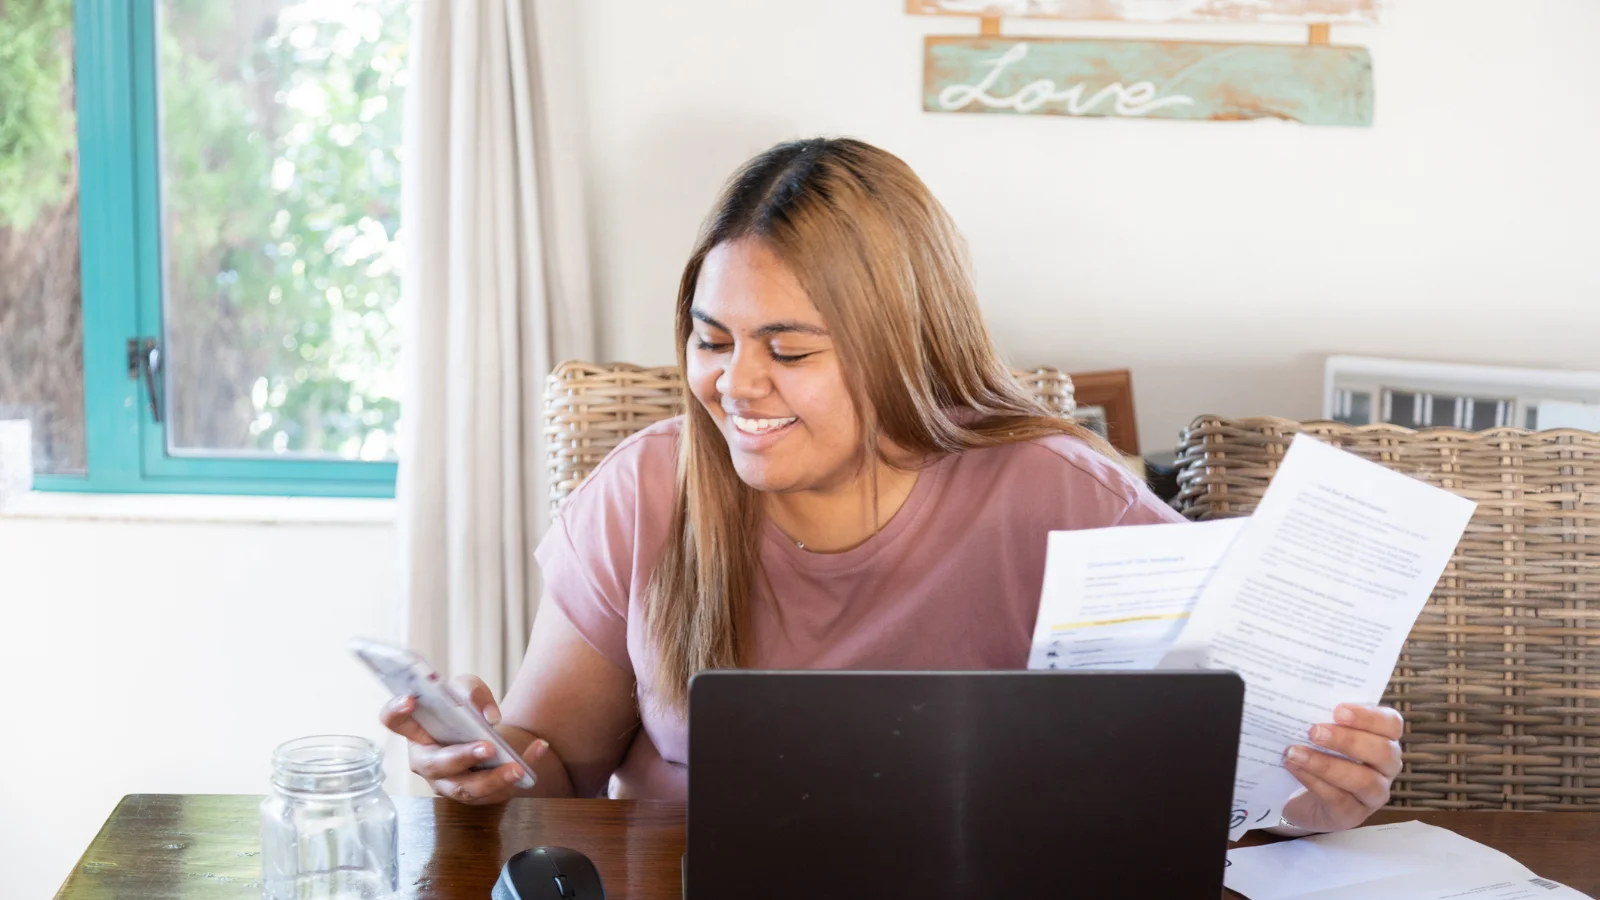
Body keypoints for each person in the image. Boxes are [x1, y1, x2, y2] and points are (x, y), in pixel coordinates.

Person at [382, 137, 1403, 835]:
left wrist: (1309, 795)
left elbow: (1204, 789)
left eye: (788, 348)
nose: (735, 385)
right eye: (711, 338)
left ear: (900, 349)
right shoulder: (646, 490)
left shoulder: (1065, 499)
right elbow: (548, 773)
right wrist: (488, 764)